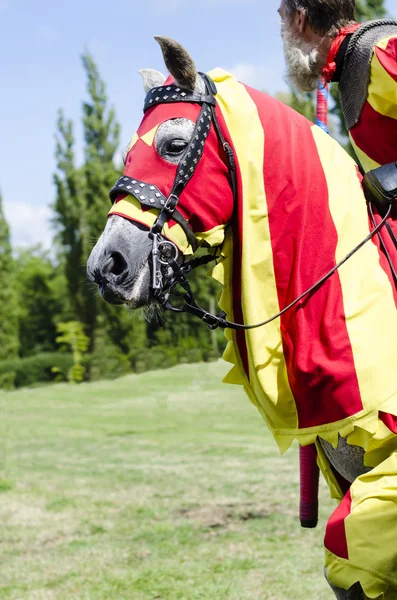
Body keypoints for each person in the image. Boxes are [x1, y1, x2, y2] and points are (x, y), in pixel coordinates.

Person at [278, 2, 397, 599]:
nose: (279, 27)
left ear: (300, 16)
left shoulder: (381, 52)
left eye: (280, 13)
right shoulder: (349, 65)